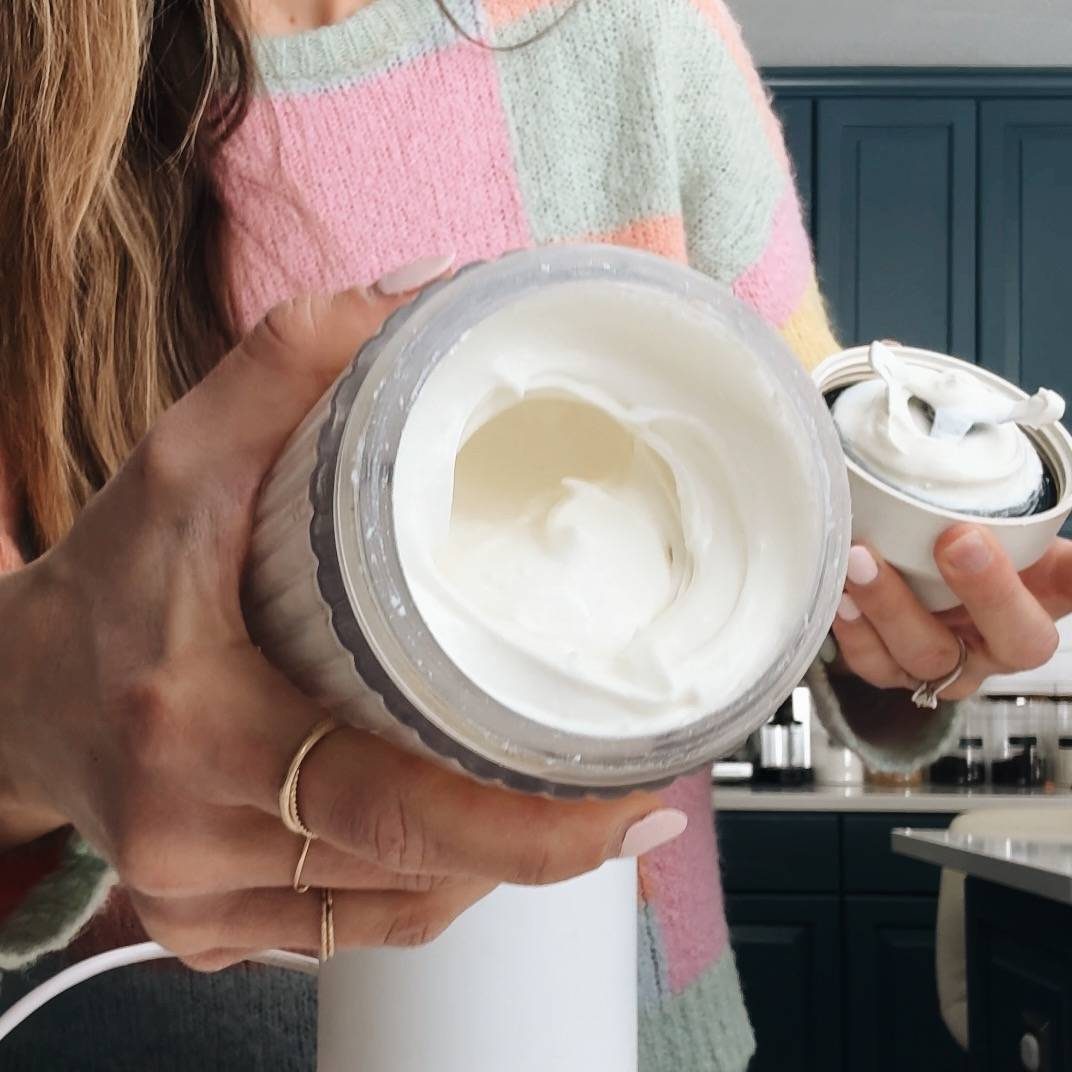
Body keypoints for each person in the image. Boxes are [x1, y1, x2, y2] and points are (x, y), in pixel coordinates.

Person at [1, 1, 1069, 1069]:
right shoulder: (33, 86)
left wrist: (915, 620)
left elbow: (822, 542)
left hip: (631, 1030)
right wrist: (31, 712)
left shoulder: (646, 40)